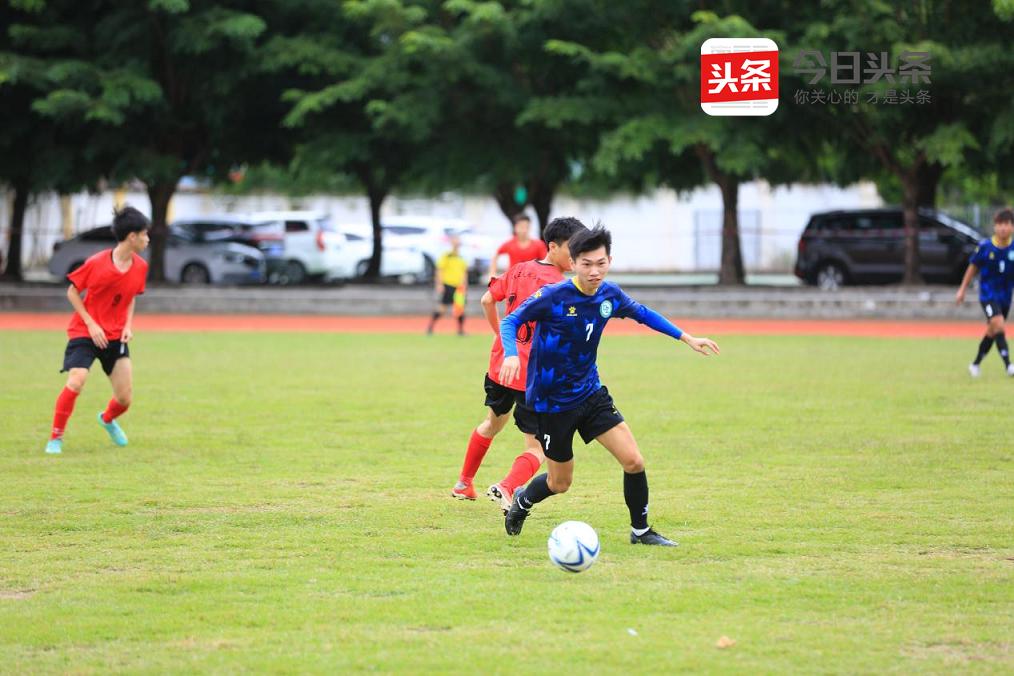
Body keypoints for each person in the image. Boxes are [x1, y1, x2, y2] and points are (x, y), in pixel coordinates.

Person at [498, 225, 720, 546]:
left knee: (634, 461)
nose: (594, 271)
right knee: (561, 483)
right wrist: (510, 356)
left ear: (609, 261)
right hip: (552, 404)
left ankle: (641, 532)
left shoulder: (609, 294)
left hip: (591, 394)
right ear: (572, 263)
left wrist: (687, 338)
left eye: (600, 263)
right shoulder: (553, 296)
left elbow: (642, 314)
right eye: (586, 264)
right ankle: (523, 501)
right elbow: (511, 320)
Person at [451, 218, 588, 507]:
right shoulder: (561, 287)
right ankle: (507, 486)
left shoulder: (519, 269)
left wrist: (501, 336)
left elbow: (488, 300)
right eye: (573, 249)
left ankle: (464, 482)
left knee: (491, 424)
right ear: (553, 247)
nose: (578, 256)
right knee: (537, 448)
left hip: (501, 367)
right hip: (532, 376)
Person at [45, 206, 150, 454]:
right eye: (145, 234)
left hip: (115, 336)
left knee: (125, 399)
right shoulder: (96, 263)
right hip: (85, 332)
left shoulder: (141, 267)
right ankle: (55, 439)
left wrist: (127, 325)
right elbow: (72, 291)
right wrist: (91, 323)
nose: (148, 239)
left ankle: (107, 419)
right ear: (132, 237)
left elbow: (131, 296)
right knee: (77, 380)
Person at [956, 208, 1014, 377]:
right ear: (995, 227)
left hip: (1005, 297)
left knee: (993, 330)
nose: (1003, 228)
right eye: (1000, 224)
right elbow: (972, 268)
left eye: (1007, 224)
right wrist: (962, 290)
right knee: (999, 324)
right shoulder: (985, 247)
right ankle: (1009, 365)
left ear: (1012, 227)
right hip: (988, 295)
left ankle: (975, 364)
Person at [427, 234, 469, 336]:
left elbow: (464, 272)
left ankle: (460, 330)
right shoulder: (446, 256)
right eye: (455, 240)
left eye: (458, 241)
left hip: (459, 287)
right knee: (442, 308)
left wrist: (465, 285)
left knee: (460, 309)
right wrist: (439, 284)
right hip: (448, 284)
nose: (457, 243)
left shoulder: (461, 257)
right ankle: (430, 327)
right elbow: (439, 270)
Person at [488, 213, 547, 279]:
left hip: (532, 281)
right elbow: (496, 255)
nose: (524, 230)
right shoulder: (509, 244)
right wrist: (492, 274)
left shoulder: (539, 244)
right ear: (515, 227)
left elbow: (546, 263)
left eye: (527, 227)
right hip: (512, 280)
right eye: (521, 227)